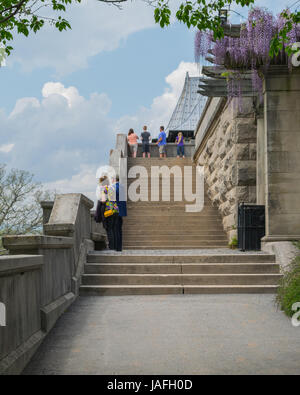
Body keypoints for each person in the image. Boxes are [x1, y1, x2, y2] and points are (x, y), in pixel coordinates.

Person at [101, 180, 119, 250]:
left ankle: (111, 247)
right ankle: (115, 246)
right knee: (114, 229)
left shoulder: (105, 189)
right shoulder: (113, 188)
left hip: (109, 211)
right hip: (116, 210)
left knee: (109, 229)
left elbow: (103, 200)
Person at [112, 175, 127, 252]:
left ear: (114, 179)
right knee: (119, 230)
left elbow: (112, 201)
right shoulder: (122, 187)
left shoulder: (113, 187)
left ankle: (116, 247)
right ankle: (119, 247)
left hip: (115, 212)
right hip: (121, 212)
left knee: (115, 230)